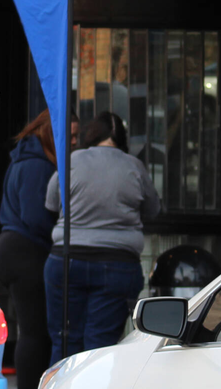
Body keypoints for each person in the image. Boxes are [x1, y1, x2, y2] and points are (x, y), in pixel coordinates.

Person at [43, 111, 160, 363]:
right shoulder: (134, 166)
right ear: (122, 138)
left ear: (91, 134)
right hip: (117, 264)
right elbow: (154, 209)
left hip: (66, 261)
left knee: (65, 341)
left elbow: (51, 203)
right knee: (100, 347)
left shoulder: (72, 160)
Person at [0, 110, 78, 389]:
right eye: (70, 135)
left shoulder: (23, 159)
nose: (74, 142)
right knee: (35, 333)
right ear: (53, 134)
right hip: (26, 250)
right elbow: (37, 217)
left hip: (11, 248)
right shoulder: (38, 166)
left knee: (30, 331)